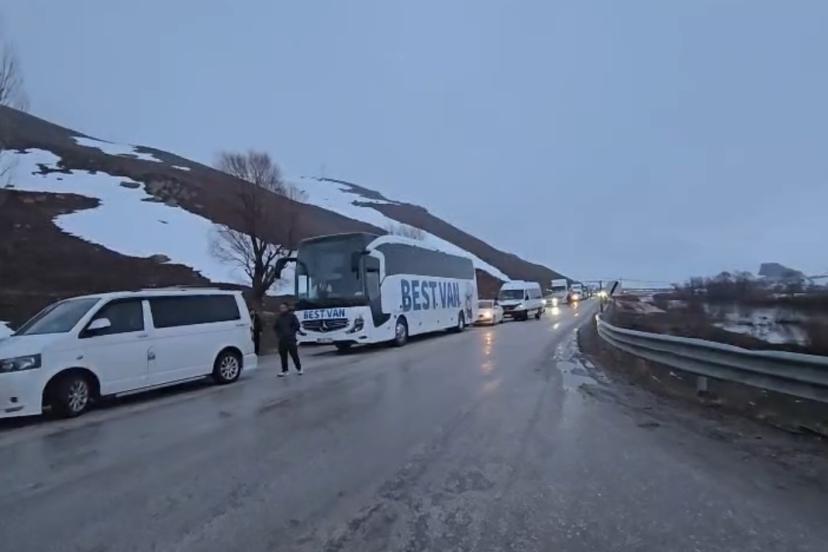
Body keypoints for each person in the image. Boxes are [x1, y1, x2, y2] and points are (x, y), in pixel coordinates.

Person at [274, 302, 302, 376]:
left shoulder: (292, 316)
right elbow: (276, 327)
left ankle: (299, 368)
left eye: (283, 307)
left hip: (291, 339)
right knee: (283, 356)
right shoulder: (279, 318)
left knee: (294, 355)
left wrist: (291, 333)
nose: (282, 309)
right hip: (282, 340)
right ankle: (285, 370)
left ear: (287, 308)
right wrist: (279, 335)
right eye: (281, 308)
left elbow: (297, 325)